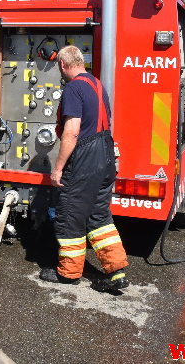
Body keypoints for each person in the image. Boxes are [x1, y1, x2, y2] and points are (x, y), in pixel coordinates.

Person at [40, 45, 129, 292]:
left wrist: (57, 169)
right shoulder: (98, 85)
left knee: (70, 215)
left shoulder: (73, 88)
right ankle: (116, 270)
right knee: (99, 215)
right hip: (105, 155)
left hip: (85, 158)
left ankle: (68, 274)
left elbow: (71, 132)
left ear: (63, 65)